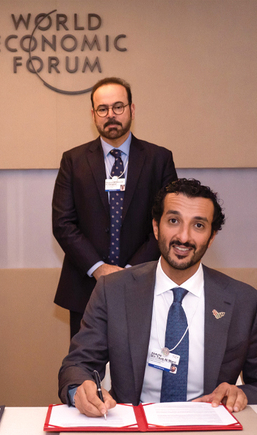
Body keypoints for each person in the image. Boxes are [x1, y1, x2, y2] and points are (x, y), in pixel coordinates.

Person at [58, 178, 257, 417]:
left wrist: (241, 394)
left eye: (198, 225)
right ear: (156, 227)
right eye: (173, 221)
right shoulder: (113, 290)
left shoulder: (245, 302)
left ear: (211, 237)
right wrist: (80, 390)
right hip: (134, 427)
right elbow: (77, 366)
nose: (184, 237)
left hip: (211, 428)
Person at [52, 77, 177, 339]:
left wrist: (131, 272)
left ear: (132, 109)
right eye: (103, 109)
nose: (111, 115)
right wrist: (99, 268)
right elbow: (63, 223)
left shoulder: (159, 159)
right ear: (93, 115)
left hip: (145, 283)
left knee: (140, 360)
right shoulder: (73, 160)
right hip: (86, 286)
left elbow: (169, 222)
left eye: (118, 107)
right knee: (86, 361)